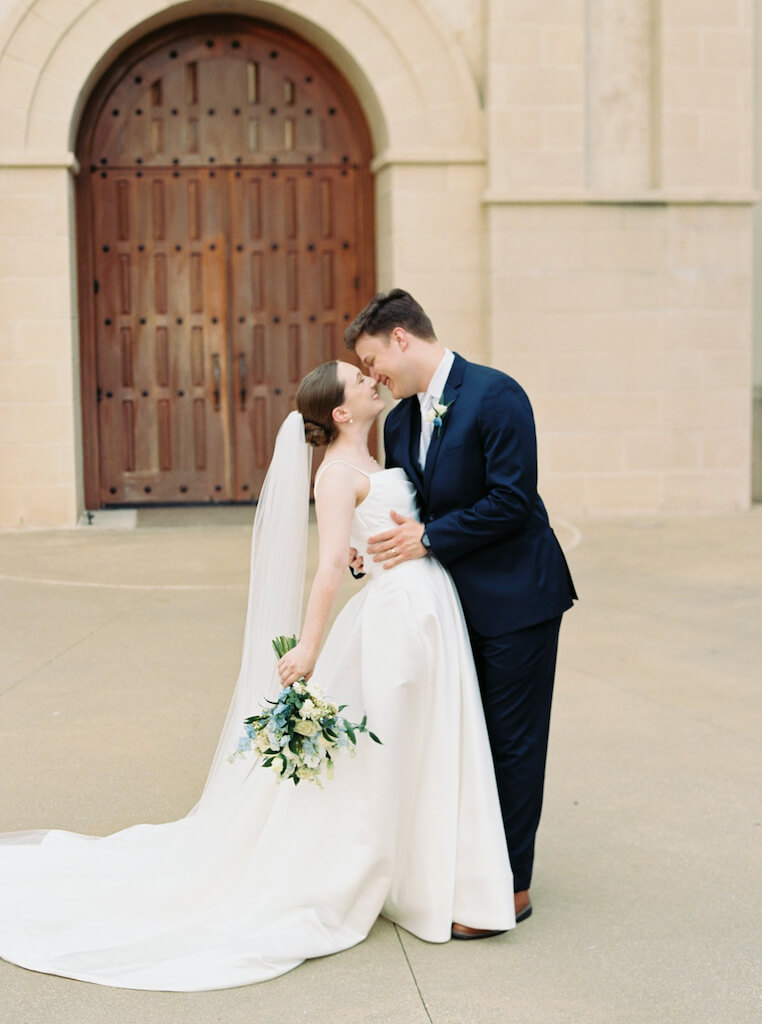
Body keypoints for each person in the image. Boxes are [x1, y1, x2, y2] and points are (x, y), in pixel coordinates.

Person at [0, 360, 514, 992]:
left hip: (423, 606)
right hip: (397, 618)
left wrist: (367, 549)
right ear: (343, 414)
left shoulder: (379, 458)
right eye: (359, 381)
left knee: (422, 744)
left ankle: (428, 872)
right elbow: (327, 568)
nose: (372, 382)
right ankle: (394, 875)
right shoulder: (336, 476)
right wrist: (308, 649)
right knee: (396, 747)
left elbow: (358, 546)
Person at [345, 289, 577, 935]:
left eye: (373, 360)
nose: (373, 378)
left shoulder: (496, 394)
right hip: (444, 606)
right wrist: (378, 550)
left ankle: (511, 888)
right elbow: (411, 509)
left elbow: (511, 500)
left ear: (401, 338)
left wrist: (428, 540)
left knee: (511, 744)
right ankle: (465, 872)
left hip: (516, 599)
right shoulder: (397, 422)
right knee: (459, 737)